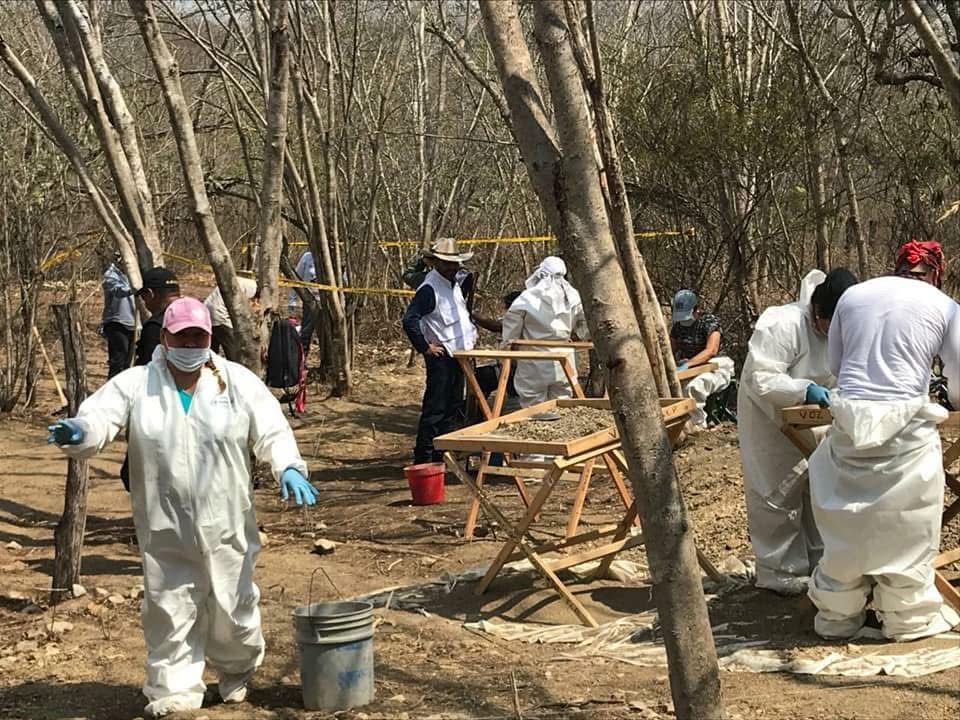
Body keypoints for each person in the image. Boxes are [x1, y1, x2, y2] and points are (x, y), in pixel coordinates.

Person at [47, 297, 318, 718]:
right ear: (166, 337)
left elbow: (271, 428)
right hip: (164, 521)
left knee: (234, 602)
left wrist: (287, 465)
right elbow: (101, 418)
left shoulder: (236, 382)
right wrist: (79, 430)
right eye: (183, 335)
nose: (191, 343)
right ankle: (173, 688)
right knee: (170, 607)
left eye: (199, 335)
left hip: (226, 517)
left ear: (210, 337)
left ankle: (237, 671)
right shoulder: (138, 384)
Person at [807, 239, 960, 640]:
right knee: (907, 525)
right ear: (936, 273)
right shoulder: (944, 306)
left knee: (846, 524)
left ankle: (838, 617)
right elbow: (959, 383)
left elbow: (836, 367)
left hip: (849, 424)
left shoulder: (854, 295)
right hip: (906, 432)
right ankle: (907, 618)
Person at [738, 268, 858, 595]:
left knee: (817, 485)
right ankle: (779, 572)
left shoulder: (848, 327)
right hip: (770, 418)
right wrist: (805, 389)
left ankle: (820, 563)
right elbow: (761, 379)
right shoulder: (783, 324)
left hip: (814, 418)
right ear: (818, 313)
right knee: (777, 492)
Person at [402, 238, 477, 464]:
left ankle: (441, 457)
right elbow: (410, 320)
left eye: (454, 263)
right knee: (435, 409)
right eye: (446, 263)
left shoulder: (452, 284)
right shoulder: (429, 288)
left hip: (459, 355)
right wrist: (426, 347)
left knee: (453, 408)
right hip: (442, 356)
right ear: (435, 263)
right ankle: (424, 460)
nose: (452, 267)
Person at [500, 257, 588, 407]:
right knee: (563, 402)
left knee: (533, 406)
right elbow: (586, 322)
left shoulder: (527, 298)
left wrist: (507, 347)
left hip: (534, 358)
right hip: (564, 356)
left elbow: (511, 329)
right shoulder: (574, 297)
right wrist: (578, 335)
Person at [670, 289, 735, 426]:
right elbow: (669, 349)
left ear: (696, 310)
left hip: (716, 367)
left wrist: (689, 364)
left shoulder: (709, 322)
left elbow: (711, 350)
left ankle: (698, 426)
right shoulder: (677, 327)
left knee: (694, 388)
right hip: (688, 369)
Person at [204, 276, 259, 361]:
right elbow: (244, 308)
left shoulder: (244, 282)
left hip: (208, 309)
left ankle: (210, 365)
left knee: (212, 347)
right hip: (220, 313)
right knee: (232, 347)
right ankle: (234, 366)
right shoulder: (252, 289)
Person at [134, 267, 181, 366]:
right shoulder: (199, 315)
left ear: (150, 294)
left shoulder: (155, 326)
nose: (144, 302)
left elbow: (149, 369)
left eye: (143, 297)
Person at [100, 252, 136, 379]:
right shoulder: (111, 275)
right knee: (118, 361)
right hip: (117, 323)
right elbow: (118, 291)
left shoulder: (134, 273)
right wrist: (135, 287)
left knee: (129, 362)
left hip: (134, 323)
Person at [291, 251, 320, 357]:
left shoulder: (335, 256)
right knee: (306, 333)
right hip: (310, 300)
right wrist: (292, 300)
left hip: (328, 303)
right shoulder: (307, 257)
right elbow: (296, 278)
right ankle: (301, 361)